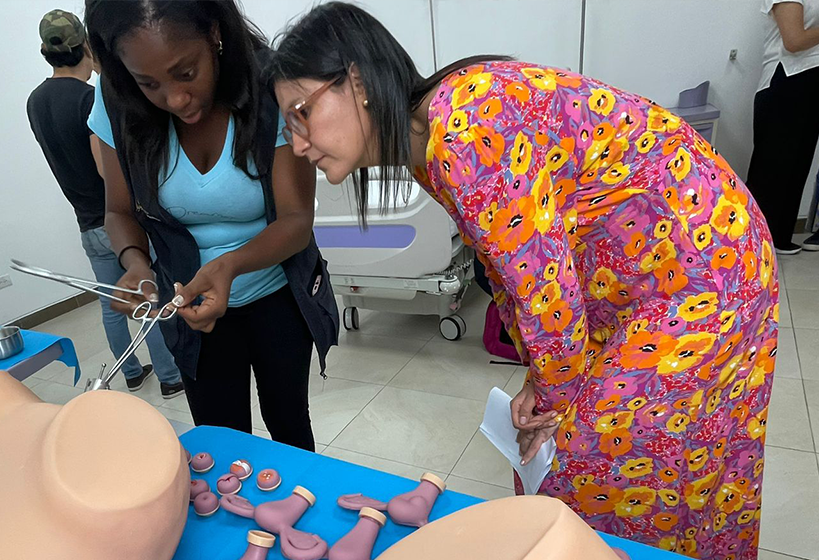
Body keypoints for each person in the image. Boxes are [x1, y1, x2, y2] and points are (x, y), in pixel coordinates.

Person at [270, 3, 777, 558]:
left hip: (707, 268)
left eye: (302, 113)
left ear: (359, 83)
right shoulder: (429, 143)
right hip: (645, 276)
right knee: (588, 454)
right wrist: (543, 380)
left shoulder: (464, 126)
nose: (296, 145)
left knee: (600, 458)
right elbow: (511, 273)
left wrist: (552, 394)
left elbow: (546, 300)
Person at [83, 0, 338, 451]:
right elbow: (119, 211)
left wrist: (230, 265)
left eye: (186, 73)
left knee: (290, 426)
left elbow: (297, 220)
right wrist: (137, 264)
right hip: (189, 307)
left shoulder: (271, 86)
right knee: (219, 443)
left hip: (277, 295)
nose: (175, 99)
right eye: (149, 84)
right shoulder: (115, 98)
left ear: (215, 34)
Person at [26, 9, 184, 398]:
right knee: (148, 296)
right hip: (117, 222)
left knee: (111, 302)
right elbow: (104, 168)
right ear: (86, 48)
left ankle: (130, 372)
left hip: (85, 222)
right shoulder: (89, 99)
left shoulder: (36, 100)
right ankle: (169, 376)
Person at [747, 0, 819, 254]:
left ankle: (779, 236)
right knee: (774, 165)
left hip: (810, 79)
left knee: (798, 163)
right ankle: (756, 241)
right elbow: (794, 40)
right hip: (786, 78)